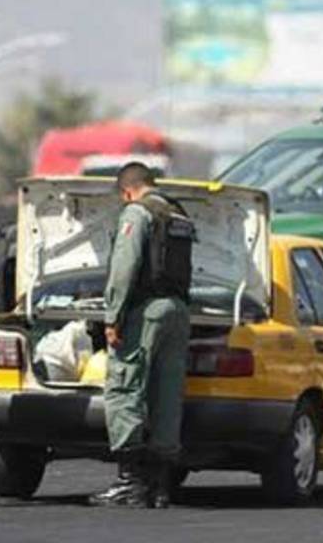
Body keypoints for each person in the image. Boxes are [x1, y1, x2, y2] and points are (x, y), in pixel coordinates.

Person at [90, 162, 193, 509]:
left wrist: (112, 317)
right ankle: (161, 486)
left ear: (127, 191)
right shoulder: (177, 214)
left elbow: (124, 266)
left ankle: (129, 483)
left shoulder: (137, 212)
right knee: (166, 395)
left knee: (124, 388)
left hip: (145, 312)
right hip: (177, 312)